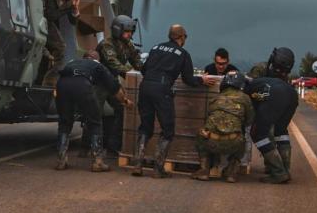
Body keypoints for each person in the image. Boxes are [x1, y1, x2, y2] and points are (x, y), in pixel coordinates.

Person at [130, 23, 205, 178]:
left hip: (145, 87)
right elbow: (188, 79)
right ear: (182, 37)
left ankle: (137, 165)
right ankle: (158, 169)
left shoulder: (156, 48)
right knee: (168, 129)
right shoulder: (183, 53)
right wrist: (202, 80)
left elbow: (143, 69)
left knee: (145, 126)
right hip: (162, 90)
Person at [54, 50, 125, 172]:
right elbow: (114, 88)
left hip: (62, 85)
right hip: (82, 85)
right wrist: (125, 101)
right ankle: (98, 162)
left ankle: (61, 160)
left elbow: (60, 77)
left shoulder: (72, 62)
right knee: (95, 121)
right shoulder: (98, 65)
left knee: (65, 122)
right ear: (96, 59)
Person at [247, 47, 299, 184]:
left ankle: (278, 171)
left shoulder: (260, 69)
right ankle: (284, 169)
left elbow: (251, 91)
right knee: (280, 131)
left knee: (258, 133)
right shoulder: (284, 76)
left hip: (272, 100)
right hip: (292, 96)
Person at [193, 71, 253, 182]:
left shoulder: (215, 98)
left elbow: (209, 118)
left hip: (211, 141)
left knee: (201, 134)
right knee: (242, 140)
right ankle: (231, 173)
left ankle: (204, 171)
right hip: (233, 143)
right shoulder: (245, 98)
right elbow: (249, 121)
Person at [96, 15, 142, 155]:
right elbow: (113, 63)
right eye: (127, 31)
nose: (130, 34)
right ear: (118, 30)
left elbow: (137, 61)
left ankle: (113, 146)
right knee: (94, 113)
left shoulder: (128, 44)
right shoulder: (106, 44)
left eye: (131, 32)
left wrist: (146, 71)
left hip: (112, 83)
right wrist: (131, 72)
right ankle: (88, 147)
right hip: (99, 82)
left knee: (122, 110)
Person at [41, 0, 80, 84]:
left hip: (48, 22)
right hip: (38, 17)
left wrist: (75, 8)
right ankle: (45, 54)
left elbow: (73, 22)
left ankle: (50, 81)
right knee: (39, 40)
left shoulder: (72, 1)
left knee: (61, 47)